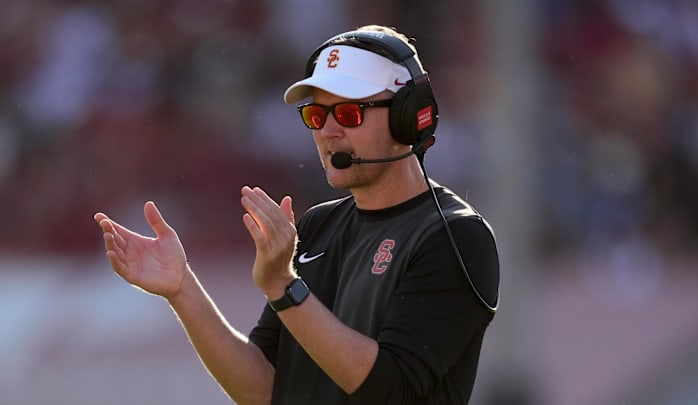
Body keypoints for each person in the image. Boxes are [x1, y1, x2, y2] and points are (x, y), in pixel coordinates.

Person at [94, 24, 499, 404]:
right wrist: (182, 289)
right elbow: (263, 390)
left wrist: (286, 287)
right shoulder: (317, 225)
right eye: (316, 116)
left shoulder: (455, 236)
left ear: (407, 117)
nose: (327, 132)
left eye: (348, 114)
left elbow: (391, 389)